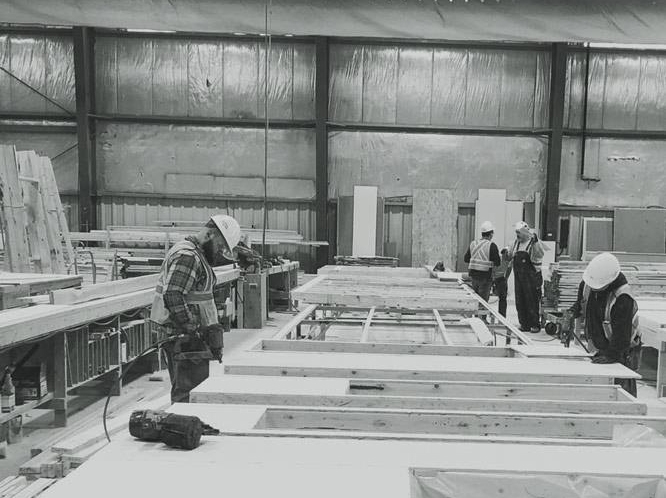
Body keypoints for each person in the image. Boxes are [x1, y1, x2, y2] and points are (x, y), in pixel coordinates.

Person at [150, 214, 241, 403]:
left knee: (192, 389)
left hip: (189, 335)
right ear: (210, 235)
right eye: (221, 246)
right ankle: (184, 428)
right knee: (189, 394)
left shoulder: (195, 252)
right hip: (184, 336)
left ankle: (187, 427)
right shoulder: (188, 256)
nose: (221, 252)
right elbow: (173, 294)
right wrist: (192, 327)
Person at [570, 252, 641, 397]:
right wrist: (571, 313)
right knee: (596, 391)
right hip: (598, 345)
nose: (594, 289)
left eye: (598, 287)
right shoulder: (588, 283)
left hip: (623, 351)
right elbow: (580, 304)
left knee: (621, 393)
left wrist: (611, 355)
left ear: (609, 281)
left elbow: (622, 336)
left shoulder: (622, 298)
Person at [507, 221, 545, 332]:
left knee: (532, 301)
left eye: (519, 233)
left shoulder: (533, 243)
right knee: (520, 300)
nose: (517, 235)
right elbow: (510, 255)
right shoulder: (516, 243)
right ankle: (524, 324)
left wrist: (536, 242)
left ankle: (534, 324)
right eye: (516, 233)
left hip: (532, 278)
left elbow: (539, 254)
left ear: (525, 233)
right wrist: (506, 252)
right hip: (519, 278)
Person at [464, 221, 500, 303]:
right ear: (490, 234)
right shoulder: (491, 246)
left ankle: (475, 315)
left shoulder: (473, 243)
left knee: (475, 301)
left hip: (473, 277)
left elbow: (466, 259)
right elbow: (498, 263)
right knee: (483, 304)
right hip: (485, 278)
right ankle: (482, 316)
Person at [492, 247, 512, 317]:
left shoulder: (509, 261)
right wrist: (493, 279)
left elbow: (509, 269)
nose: (507, 256)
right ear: (503, 254)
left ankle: (502, 316)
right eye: (506, 254)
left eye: (508, 255)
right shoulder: (498, 259)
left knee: (503, 297)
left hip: (501, 279)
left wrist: (506, 279)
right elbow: (492, 269)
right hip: (493, 278)